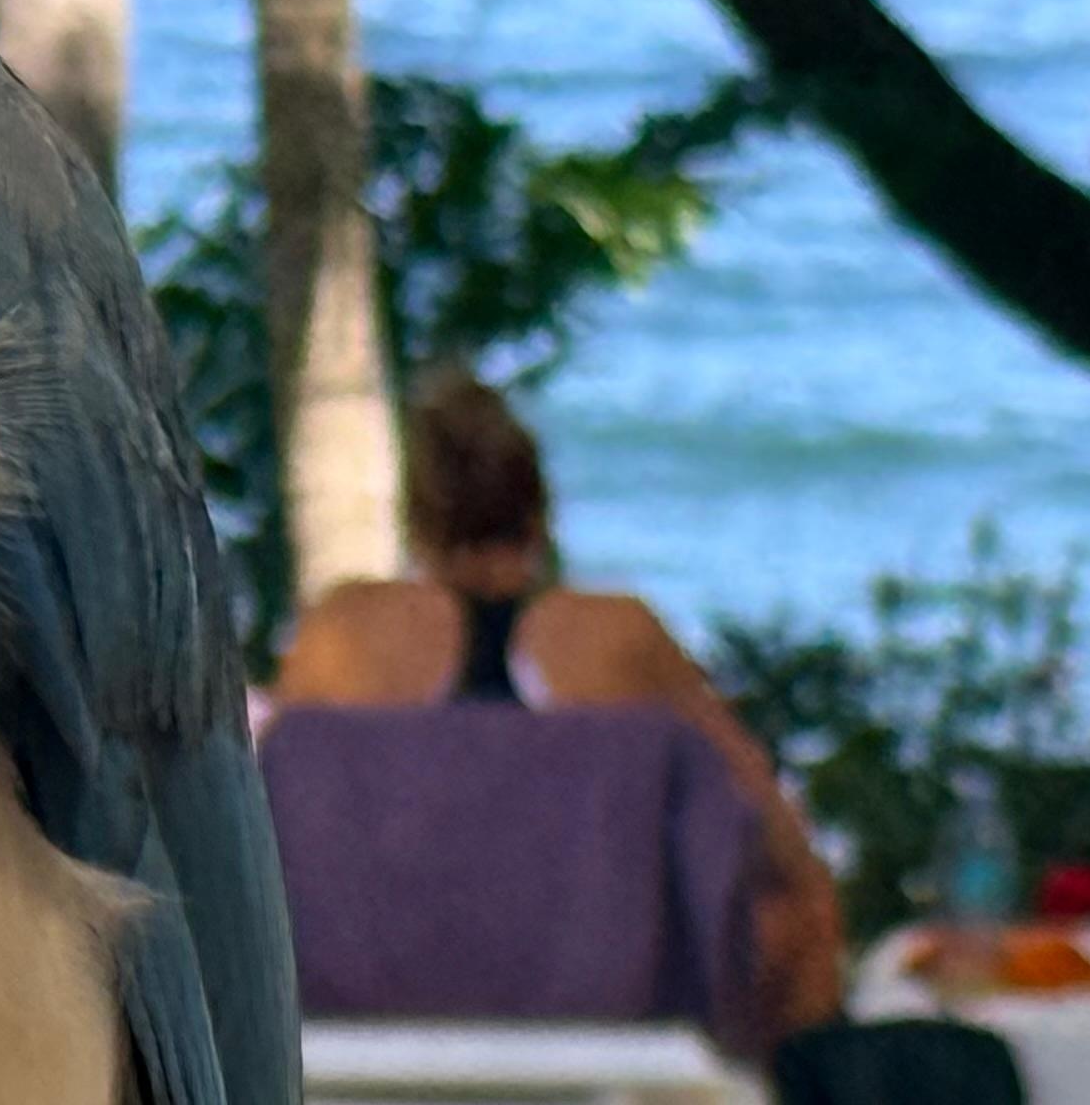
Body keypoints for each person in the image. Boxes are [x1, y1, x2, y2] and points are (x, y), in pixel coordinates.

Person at [275, 367, 846, 1032]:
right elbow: (775, 842)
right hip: (608, 1018)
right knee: (802, 905)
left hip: (360, 1020)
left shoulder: (344, 632)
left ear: (415, 517)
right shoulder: (619, 635)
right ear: (539, 513)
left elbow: (264, 838)